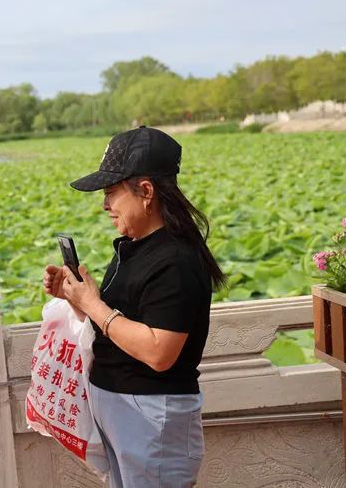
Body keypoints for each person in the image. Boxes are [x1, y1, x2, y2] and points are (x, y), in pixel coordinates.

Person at [42, 126, 227, 487]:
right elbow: (120, 325)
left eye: (111, 192)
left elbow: (159, 351)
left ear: (146, 192)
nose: (105, 205)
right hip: (122, 411)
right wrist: (76, 299)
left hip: (151, 416)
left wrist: (94, 306)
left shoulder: (175, 259)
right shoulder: (135, 246)